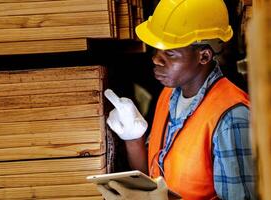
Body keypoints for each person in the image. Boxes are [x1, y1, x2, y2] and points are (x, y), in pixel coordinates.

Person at [97, 0, 256, 199]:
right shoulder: (170, 94)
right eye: (157, 49)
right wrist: (133, 139)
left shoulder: (231, 118)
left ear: (204, 56)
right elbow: (155, 180)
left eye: (170, 53)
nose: (156, 59)